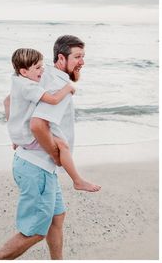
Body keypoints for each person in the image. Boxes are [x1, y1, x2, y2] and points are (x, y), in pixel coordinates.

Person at [0, 35, 101, 260]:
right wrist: (54, 153)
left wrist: (15, 133)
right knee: (33, 232)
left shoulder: (42, 73)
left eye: (83, 56)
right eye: (77, 57)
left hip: (37, 165)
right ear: (61, 58)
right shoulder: (58, 85)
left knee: (56, 218)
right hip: (37, 167)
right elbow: (38, 125)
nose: (82, 62)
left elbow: (8, 100)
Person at [5, 47, 99, 191]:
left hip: (18, 136)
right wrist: (68, 88)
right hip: (29, 139)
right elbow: (54, 99)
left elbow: (6, 101)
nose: (42, 70)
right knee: (63, 146)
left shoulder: (17, 80)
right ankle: (77, 180)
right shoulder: (29, 86)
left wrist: (14, 134)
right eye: (37, 68)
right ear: (24, 72)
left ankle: (70, 172)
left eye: (42, 66)